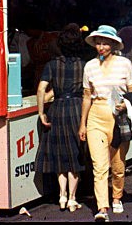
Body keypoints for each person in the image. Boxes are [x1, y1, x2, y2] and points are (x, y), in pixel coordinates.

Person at [79, 25, 132, 221]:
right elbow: (86, 96)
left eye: (105, 43)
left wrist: (126, 104)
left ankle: (117, 196)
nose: (101, 46)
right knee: (99, 165)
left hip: (118, 117)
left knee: (118, 164)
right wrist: (83, 124)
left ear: (113, 44)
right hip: (97, 113)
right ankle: (102, 207)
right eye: (98, 43)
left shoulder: (124, 64)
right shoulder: (89, 66)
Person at [35, 23, 89, 213]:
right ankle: (73, 198)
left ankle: (62, 195)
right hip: (76, 110)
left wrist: (42, 112)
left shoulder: (51, 65)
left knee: (60, 156)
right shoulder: (84, 66)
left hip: (57, 110)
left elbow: (41, 89)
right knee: (75, 155)